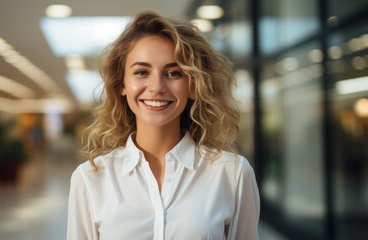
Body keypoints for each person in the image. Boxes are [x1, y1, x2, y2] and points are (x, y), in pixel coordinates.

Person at [67, 10, 260, 240]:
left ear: (192, 85)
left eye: (173, 72)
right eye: (141, 72)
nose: (157, 86)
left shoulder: (232, 174)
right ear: (122, 84)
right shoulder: (90, 179)